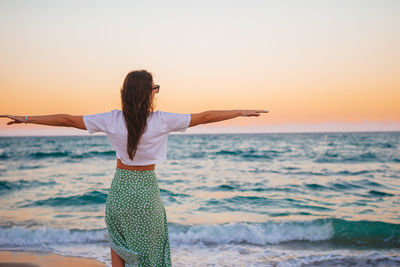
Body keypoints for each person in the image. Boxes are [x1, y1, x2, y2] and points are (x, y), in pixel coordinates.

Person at [0, 70, 269, 267]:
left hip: (120, 190)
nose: (156, 92)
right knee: (150, 254)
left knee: (119, 245)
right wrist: (241, 112)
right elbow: (205, 117)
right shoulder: (162, 120)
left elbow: (69, 120)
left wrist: (26, 119)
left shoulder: (111, 119)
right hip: (146, 191)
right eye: (155, 88)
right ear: (149, 92)